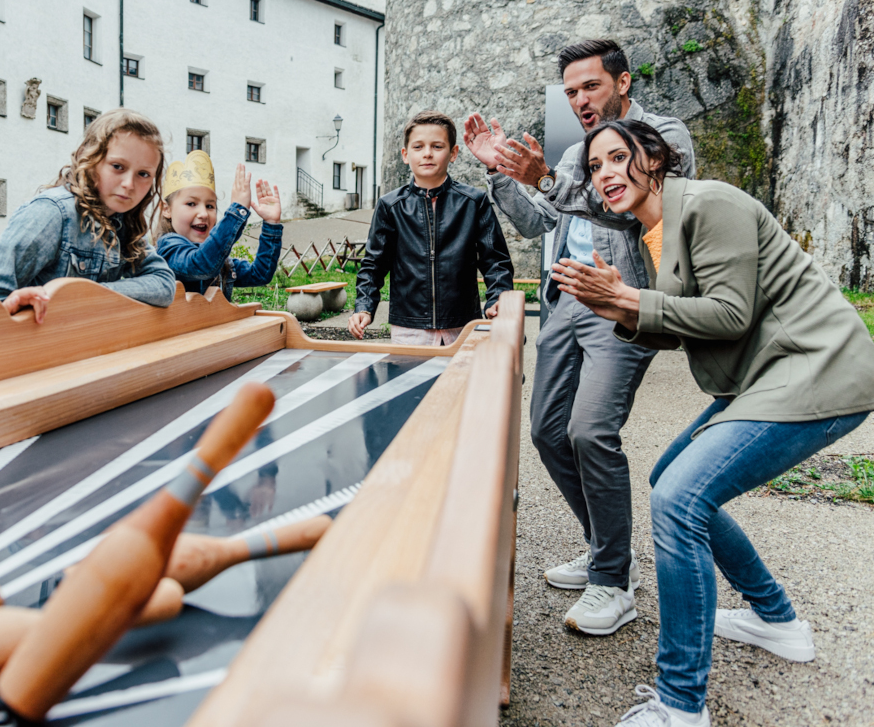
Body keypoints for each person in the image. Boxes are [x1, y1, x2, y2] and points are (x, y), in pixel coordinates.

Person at [554, 119, 874, 727]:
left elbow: (728, 315)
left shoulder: (709, 203)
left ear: (655, 158)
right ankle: (776, 620)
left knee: (679, 498)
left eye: (619, 157)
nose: (606, 174)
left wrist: (627, 301)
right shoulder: (657, 231)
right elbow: (691, 322)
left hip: (819, 368)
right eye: (595, 167)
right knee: (671, 477)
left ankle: (680, 705)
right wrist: (618, 307)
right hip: (768, 375)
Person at [465, 39, 695, 635]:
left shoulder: (661, 134)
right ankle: (608, 549)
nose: (579, 100)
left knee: (590, 430)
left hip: (619, 302)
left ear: (621, 82)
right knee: (546, 431)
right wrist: (503, 173)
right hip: (566, 301)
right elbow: (539, 220)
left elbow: (630, 206)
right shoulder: (576, 154)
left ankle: (614, 582)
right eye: (570, 92)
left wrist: (546, 175)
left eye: (589, 86)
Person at [0, 108, 175, 319]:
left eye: (143, 174)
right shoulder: (52, 213)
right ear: (90, 159)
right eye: (118, 166)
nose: (129, 184)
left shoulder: (123, 224)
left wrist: (90, 296)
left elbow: (163, 284)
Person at [349, 110, 513, 346]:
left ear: (453, 153)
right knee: (410, 383)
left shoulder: (474, 202)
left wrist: (497, 297)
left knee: (461, 382)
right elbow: (374, 264)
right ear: (405, 155)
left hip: (463, 324)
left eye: (437, 146)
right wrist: (364, 307)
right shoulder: (390, 205)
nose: (427, 154)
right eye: (418, 147)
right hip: (409, 326)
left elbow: (495, 260)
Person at [154, 151, 283, 300]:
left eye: (210, 206)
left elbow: (260, 274)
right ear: (166, 209)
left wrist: (271, 224)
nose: (203, 213)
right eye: (191, 204)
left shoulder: (219, 261)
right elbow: (200, 264)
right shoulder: (168, 249)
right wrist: (237, 211)